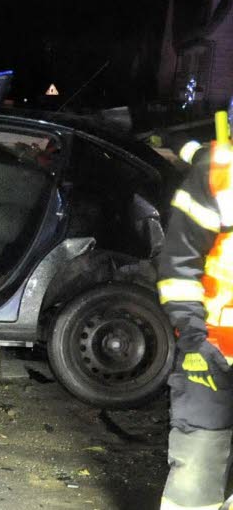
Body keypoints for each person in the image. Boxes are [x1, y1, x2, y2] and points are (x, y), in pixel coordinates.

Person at [158, 108, 233, 510]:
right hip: (214, 352)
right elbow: (178, 267)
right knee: (197, 478)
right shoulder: (221, 174)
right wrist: (192, 335)